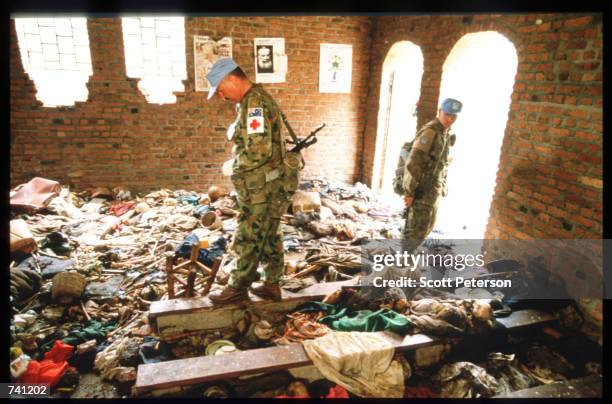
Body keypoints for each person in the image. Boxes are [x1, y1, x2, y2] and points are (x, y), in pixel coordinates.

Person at [206, 58, 292, 304]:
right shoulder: (250, 101)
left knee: (248, 234)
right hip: (265, 184)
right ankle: (271, 284)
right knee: (270, 232)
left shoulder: (255, 104)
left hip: (260, 187)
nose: (222, 97)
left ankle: (238, 287)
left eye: (221, 90)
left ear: (232, 79)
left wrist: (232, 165)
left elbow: (258, 151)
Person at [401, 98, 462, 252]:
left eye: (454, 116)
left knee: (426, 227)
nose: (450, 119)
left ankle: (407, 261)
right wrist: (409, 192)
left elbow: (442, 165)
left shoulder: (445, 134)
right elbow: (413, 164)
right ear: (439, 112)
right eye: (447, 114)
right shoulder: (431, 132)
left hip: (432, 193)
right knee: (414, 231)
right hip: (421, 192)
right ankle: (400, 265)